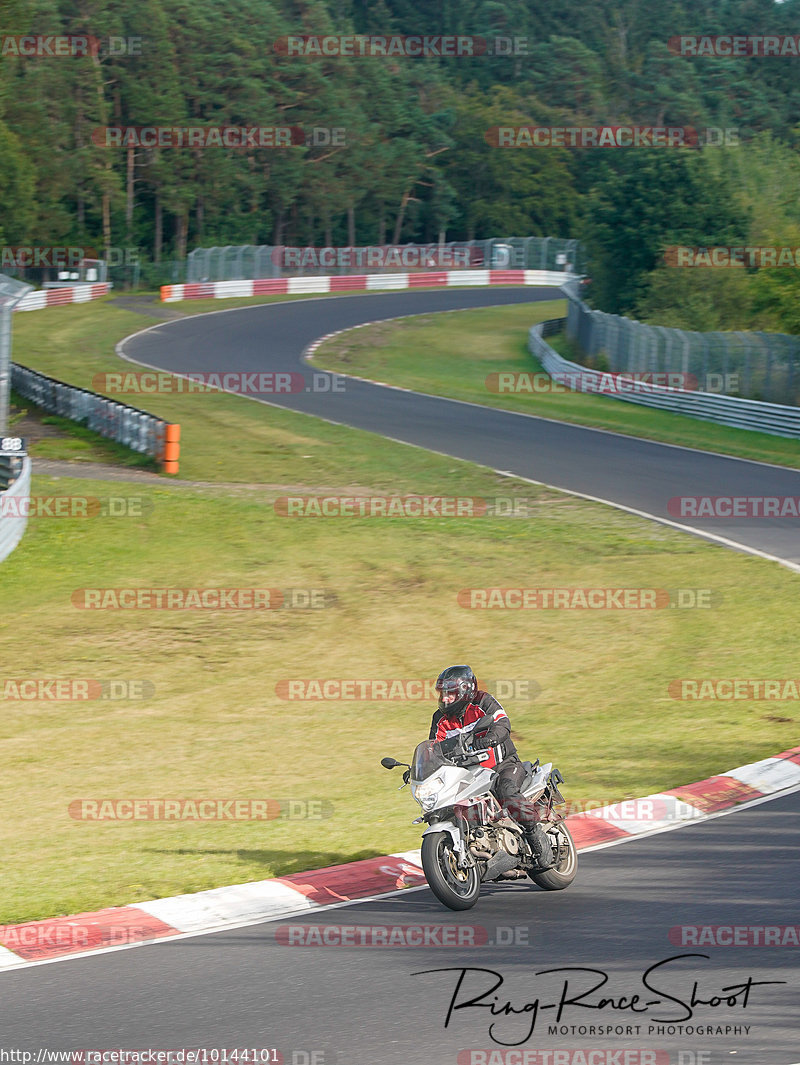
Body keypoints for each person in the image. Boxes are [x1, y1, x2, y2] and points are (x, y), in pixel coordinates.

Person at [428, 664, 555, 870]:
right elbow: (434, 748)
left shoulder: (483, 702)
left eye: (450, 694)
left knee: (507, 790)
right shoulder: (439, 719)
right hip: (470, 774)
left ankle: (535, 835)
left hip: (503, 765)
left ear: (464, 691)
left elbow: (502, 723)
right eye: (442, 694)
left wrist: (488, 740)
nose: (444, 699)